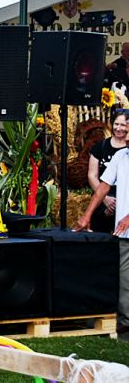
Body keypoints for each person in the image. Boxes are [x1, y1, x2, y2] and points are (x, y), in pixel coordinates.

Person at [74, 141, 129, 334]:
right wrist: (86, 215)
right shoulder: (121, 157)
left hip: (126, 223)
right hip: (123, 231)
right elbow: (103, 186)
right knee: (123, 275)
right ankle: (126, 319)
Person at [87, 112, 127, 233]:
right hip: (103, 194)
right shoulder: (100, 146)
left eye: (123, 125)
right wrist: (105, 199)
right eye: (116, 124)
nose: (118, 128)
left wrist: (118, 203)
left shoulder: (126, 151)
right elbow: (92, 175)